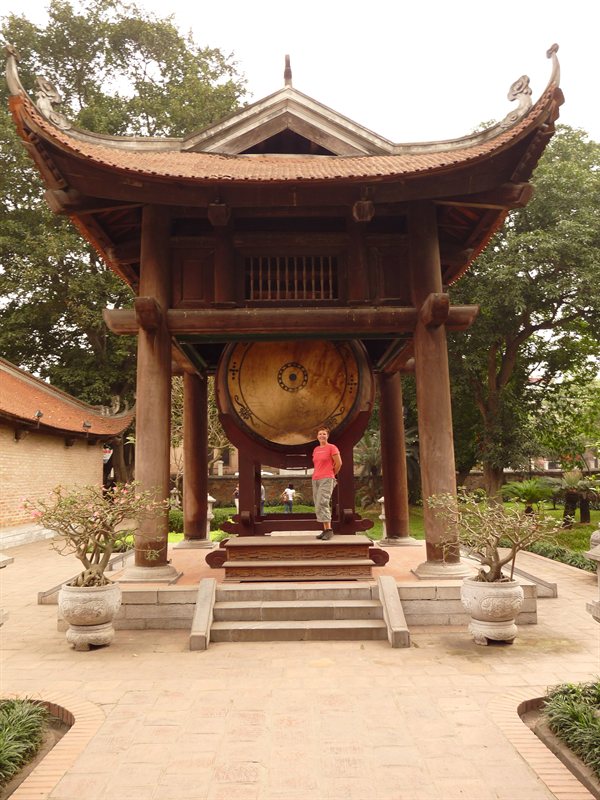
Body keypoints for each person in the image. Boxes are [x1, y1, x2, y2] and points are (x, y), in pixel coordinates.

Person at [312, 427, 342, 540]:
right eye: (320, 434)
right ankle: (324, 530)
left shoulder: (332, 448)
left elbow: (339, 463)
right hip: (315, 479)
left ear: (327, 436)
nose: (322, 436)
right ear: (317, 436)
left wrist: (331, 474)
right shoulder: (315, 449)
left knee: (323, 502)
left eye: (324, 434)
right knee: (318, 504)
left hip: (327, 478)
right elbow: (317, 464)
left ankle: (329, 530)